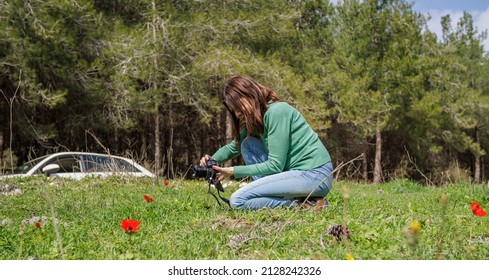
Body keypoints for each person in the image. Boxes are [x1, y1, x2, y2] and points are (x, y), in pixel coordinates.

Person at [199, 75, 333, 210]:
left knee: (238, 200)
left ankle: (302, 205)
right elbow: (233, 148)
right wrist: (211, 161)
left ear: (249, 94)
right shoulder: (257, 119)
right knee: (248, 144)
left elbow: (275, 165)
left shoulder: (277, 112)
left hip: (315, 175)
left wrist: (233, 171)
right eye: (234, 110)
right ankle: (296, 201)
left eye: (238, 106)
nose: (237, 113)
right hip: (295, 173)